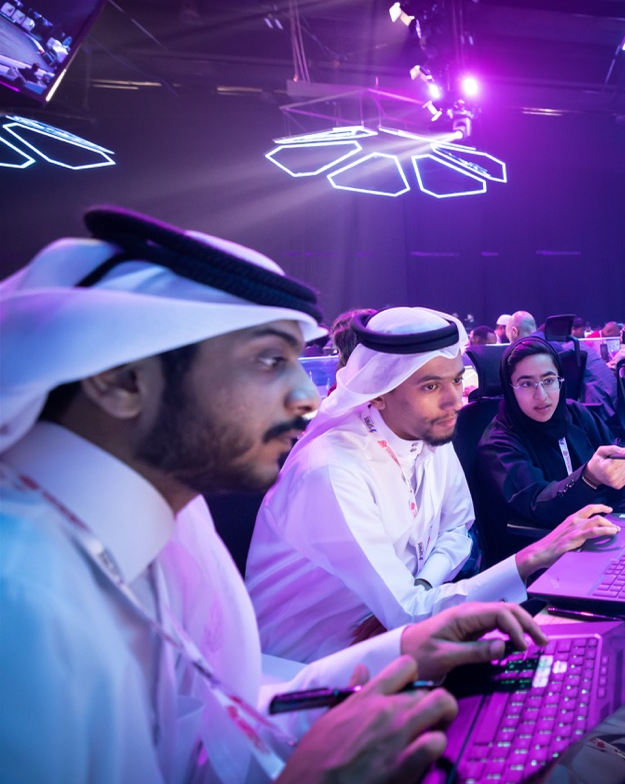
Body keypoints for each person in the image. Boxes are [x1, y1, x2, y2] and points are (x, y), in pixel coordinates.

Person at [0, 208, 549, 783]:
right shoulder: (20, 590)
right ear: (122, 380)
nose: (307, 396)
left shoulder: (175, 519)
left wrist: (405, 647)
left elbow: (218, 715)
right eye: (269, 361)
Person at [246, 306, 617, 662]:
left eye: (456, 380)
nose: (454, 400)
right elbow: (409, 616)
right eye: (430, 386)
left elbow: (458, 527)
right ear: (380, 392)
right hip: (314, 663)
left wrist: (421, 587)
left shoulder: (427, 432)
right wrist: (533, 556)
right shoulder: (332, 471)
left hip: (407, 628)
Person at [477, 338, 625, 536]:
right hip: (546, 546)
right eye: (526, 384)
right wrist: (588, 478)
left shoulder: (573, 412)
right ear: (510, 389)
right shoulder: (498, 444)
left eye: (549, 380)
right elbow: (538, 503)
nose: (541, 396)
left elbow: (616, 449)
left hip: (602, 526)